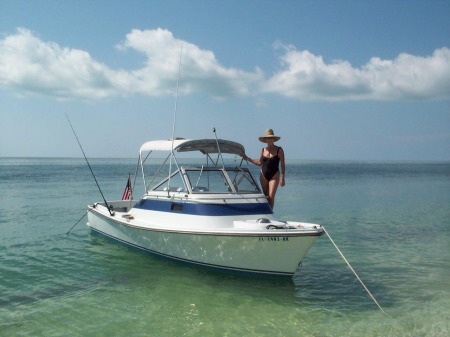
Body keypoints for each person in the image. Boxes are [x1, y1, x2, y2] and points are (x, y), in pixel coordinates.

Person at [243, 129, 285, 209]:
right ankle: (266, 213)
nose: (269, 140)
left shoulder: (279, 150)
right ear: (266, 140)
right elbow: (259, 163)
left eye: (271, 138)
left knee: (271, 196)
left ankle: (270, 213)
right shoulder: (263, 150)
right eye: (268, 139)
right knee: (266, 197)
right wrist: (248, 158)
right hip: (263, 175)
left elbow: (282, 164)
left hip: (275, 175)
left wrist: (282, 178)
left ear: (273, 139)